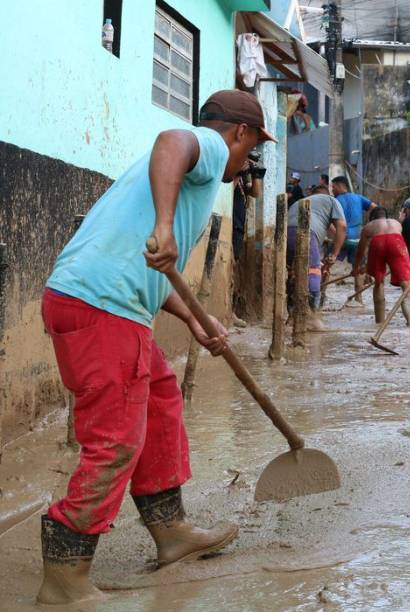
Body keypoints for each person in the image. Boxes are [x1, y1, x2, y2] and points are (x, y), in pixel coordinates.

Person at [37, 90, 273, 604]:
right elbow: (171, 139)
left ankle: (170, 530)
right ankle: (64, 576)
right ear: (240, 133)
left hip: (101, 299)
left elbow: (147, 270)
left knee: (161, 400)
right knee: (116, 439)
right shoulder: (209, 146)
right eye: (252, 149)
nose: (246, 163)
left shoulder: (175, 180)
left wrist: (195, 318)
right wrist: (165, 227)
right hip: (102, 307)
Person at [287, 185, 346, 316]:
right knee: (313, 271)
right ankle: (313, 316)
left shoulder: (304, 202)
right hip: (306, 231)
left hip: (286, 233)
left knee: (294, 273)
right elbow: (342, 227)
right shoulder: (332, 201)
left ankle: (291, 312)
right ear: (328, 194)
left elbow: (332, 231)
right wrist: (334, 255)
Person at [354, 207, 410, 326]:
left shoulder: (369, 226)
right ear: (386, 216)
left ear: (372, 218)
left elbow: (361, 250)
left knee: (378, 282)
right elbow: (404, 243)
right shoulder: (396, 223)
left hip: (378, 243)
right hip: (397, 242)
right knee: (406, 283)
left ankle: (380, 321)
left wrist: (356, 267)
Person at [331, 175, 376, 303]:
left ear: (340, 186)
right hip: (357, 239)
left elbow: (329, 222)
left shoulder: (334, 201)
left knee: (326, 263)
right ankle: (358, 298)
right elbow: (375, 207)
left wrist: (334, 233)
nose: (332, 190)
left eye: (333, 187)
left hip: (341, 239)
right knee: (359, 268)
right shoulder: (359, 198)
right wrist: (369, 224)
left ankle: (320, 296)